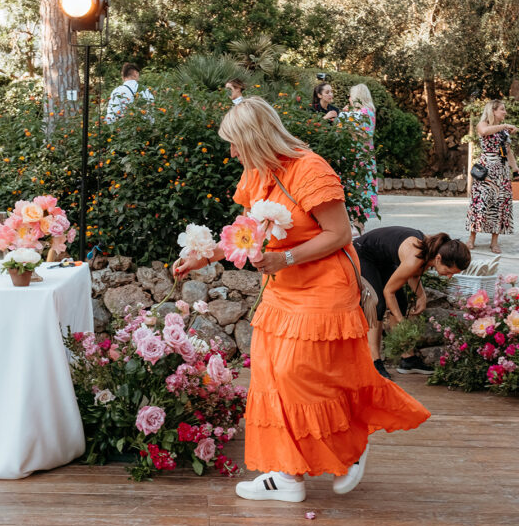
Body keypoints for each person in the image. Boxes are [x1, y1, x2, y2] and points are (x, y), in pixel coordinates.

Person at [175, 97, 430, 502]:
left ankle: (351, 448)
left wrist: (284, 257)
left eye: (236, 143)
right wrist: (203, 254)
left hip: (324, 285)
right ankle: (286, 476)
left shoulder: (310, 169)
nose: (232, 152)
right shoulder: (257, 173)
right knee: (271, 375)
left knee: (302, 375)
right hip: (283, 288)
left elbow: (340, 234)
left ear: (255, 138)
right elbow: (245, 233)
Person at [353, 227, 471, 379]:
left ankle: (407, 359)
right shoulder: (417, 256)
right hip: (362, 254)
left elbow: (413, 274)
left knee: (401, 305)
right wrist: (401, 321)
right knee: (377, 304)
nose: (449, 277)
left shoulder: (432, 250)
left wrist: (421, 296)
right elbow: (389, 291)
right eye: (449, 271)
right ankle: (373, 361)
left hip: (383, 258)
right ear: (439, 259)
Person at [466, 100, 519, 253]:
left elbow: (508, 152)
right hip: (486, 170)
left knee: (500, 204)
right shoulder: (483, 124)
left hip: (501, 171)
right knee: (479, 203)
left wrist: (515, 169)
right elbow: (484, 132)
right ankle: (471, 239)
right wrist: (504, 126)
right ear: (493, 111)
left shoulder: (505, 132)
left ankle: (494, 242)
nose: (505, 112)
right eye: (502, 109)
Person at [343, 83, 378, 233]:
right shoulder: (367, 111)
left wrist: (346, 119)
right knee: (357, 191)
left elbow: (362, 135)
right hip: (362, 157)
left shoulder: (364, 112)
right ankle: (358, 227)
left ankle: (358, 228)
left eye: (351, 96)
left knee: (357, 191)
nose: (349, 99)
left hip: (359, 158)